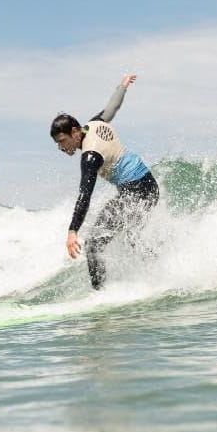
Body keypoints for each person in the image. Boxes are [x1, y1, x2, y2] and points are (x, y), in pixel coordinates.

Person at [50, 73, 159, 289]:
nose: (62, 148)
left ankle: (100, 295)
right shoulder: (93, 124)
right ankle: (158, 272)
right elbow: (112, 108)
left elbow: (85, 194)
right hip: (148, 187)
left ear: (74, 132)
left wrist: (73, 231)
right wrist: (123, 86)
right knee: (133, 237)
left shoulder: (90, 155)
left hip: (136, 192)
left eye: (63, 141)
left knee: (93, 244)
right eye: (58, 144)